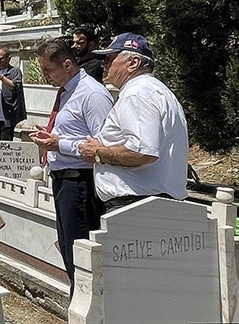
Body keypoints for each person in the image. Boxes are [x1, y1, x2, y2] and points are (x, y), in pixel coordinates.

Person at [28, 39, 113, 287]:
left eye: (48, 70)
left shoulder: (92, 94)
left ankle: (87, 301)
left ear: (67, 65)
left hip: (80, 182)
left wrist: (59, 145)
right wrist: (51, 138)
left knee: (80, 253)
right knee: (69, 250)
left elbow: (102, 145)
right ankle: (78, 298)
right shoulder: (67, 92)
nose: (45, 76)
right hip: (63, 180)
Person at [80, 33, 189, 213]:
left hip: (137, 205)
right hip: (148, 203)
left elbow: (142, 152)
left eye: (108, 59)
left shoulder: (137, 94)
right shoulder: (153, 91)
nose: (103, 64)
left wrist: (98, 153)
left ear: (133, 63)